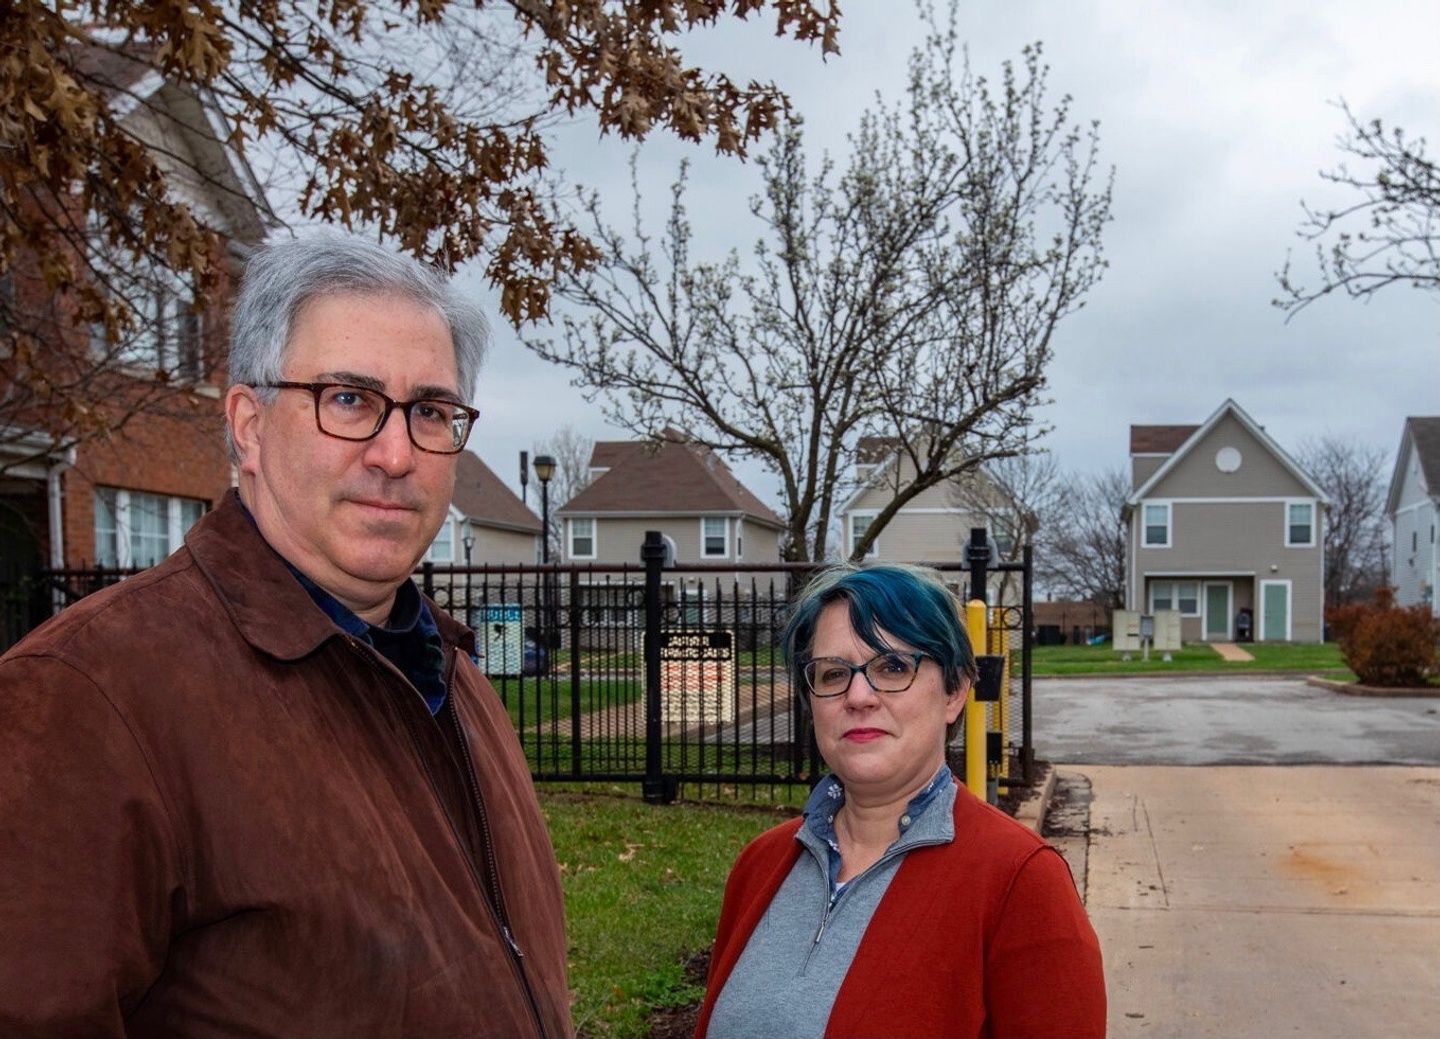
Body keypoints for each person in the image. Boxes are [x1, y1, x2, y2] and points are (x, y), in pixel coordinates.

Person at [0, 232, 572, 1038]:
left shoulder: (451, 672)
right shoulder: (86, 697)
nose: (396, 452)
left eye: (432, 411)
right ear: (249, 425)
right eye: (348, 398)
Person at [696, 563, 1105, 1039]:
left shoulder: (1021, 882)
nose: (858, 695)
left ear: (954, 692)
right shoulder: (761, 865)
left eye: (892, 666)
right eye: (832, 674)